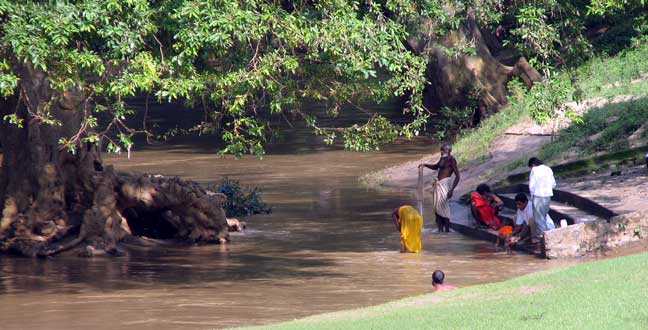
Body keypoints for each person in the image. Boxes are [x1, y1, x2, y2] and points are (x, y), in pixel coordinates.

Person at [419, 143, 460, 233]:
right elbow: (436, 166)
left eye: (443, 150)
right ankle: (440, 230)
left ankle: (447, 230)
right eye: (441, 150)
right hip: (437, 184)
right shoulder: (442, 158)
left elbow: (457, 176)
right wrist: (425, 165)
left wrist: (452, 189)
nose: (441, 152)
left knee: (444, 207)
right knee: (436, 208)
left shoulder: (451, 160)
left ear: (448, 150)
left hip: (444, 185)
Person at [528, 157, 556, 241]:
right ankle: (547, 236)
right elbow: (553, 184)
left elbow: (531, 186)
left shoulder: (534, 170)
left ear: (533, 165)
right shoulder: (548, 169)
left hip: (538, 195)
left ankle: (544, 238)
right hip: (547, 195)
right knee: (544, 216)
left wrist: (532, 196)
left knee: (539, 219)